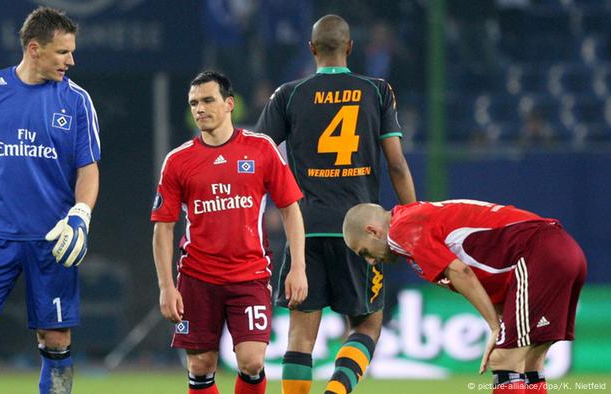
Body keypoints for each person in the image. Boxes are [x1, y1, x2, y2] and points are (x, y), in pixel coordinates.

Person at [0, 7, 100, 394]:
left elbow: (88, 169)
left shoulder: (77, 101)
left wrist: (80, 215)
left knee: (56, 341)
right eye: (63, 52)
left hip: (53, 241)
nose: (71, 60)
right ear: (34, 48)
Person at [254, 14, 416, 394]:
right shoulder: (377, 91)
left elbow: (257, 156)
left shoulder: (288, 94)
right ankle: (337, 391)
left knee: (300, 334)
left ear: (311, 49)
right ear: (350, 48)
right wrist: (415, 223)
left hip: (304, 230)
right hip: (361, 232)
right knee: (367, 324)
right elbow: (396, 163)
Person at [151, 70, 308, 394]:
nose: (199, 109)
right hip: (197, 277)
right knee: (200, 365)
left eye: (208, 100)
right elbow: (163, 228)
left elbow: (291, 210)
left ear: (229, 104)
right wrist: (167, 286)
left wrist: (298, 268)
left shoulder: (261, 149)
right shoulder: (178, 161)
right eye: (194, 102)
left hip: (248, 275)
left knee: (251, 361)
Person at [343, 200, 587, 394]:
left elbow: (460, 271)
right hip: (563, 250)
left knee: (503, 359)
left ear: (373, 231)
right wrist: (501, 318)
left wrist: (495, 328)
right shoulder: (414, 215)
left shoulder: (399, 231)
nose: (371, 261)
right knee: (530, 363)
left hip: (541, 253)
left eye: (364, 251)